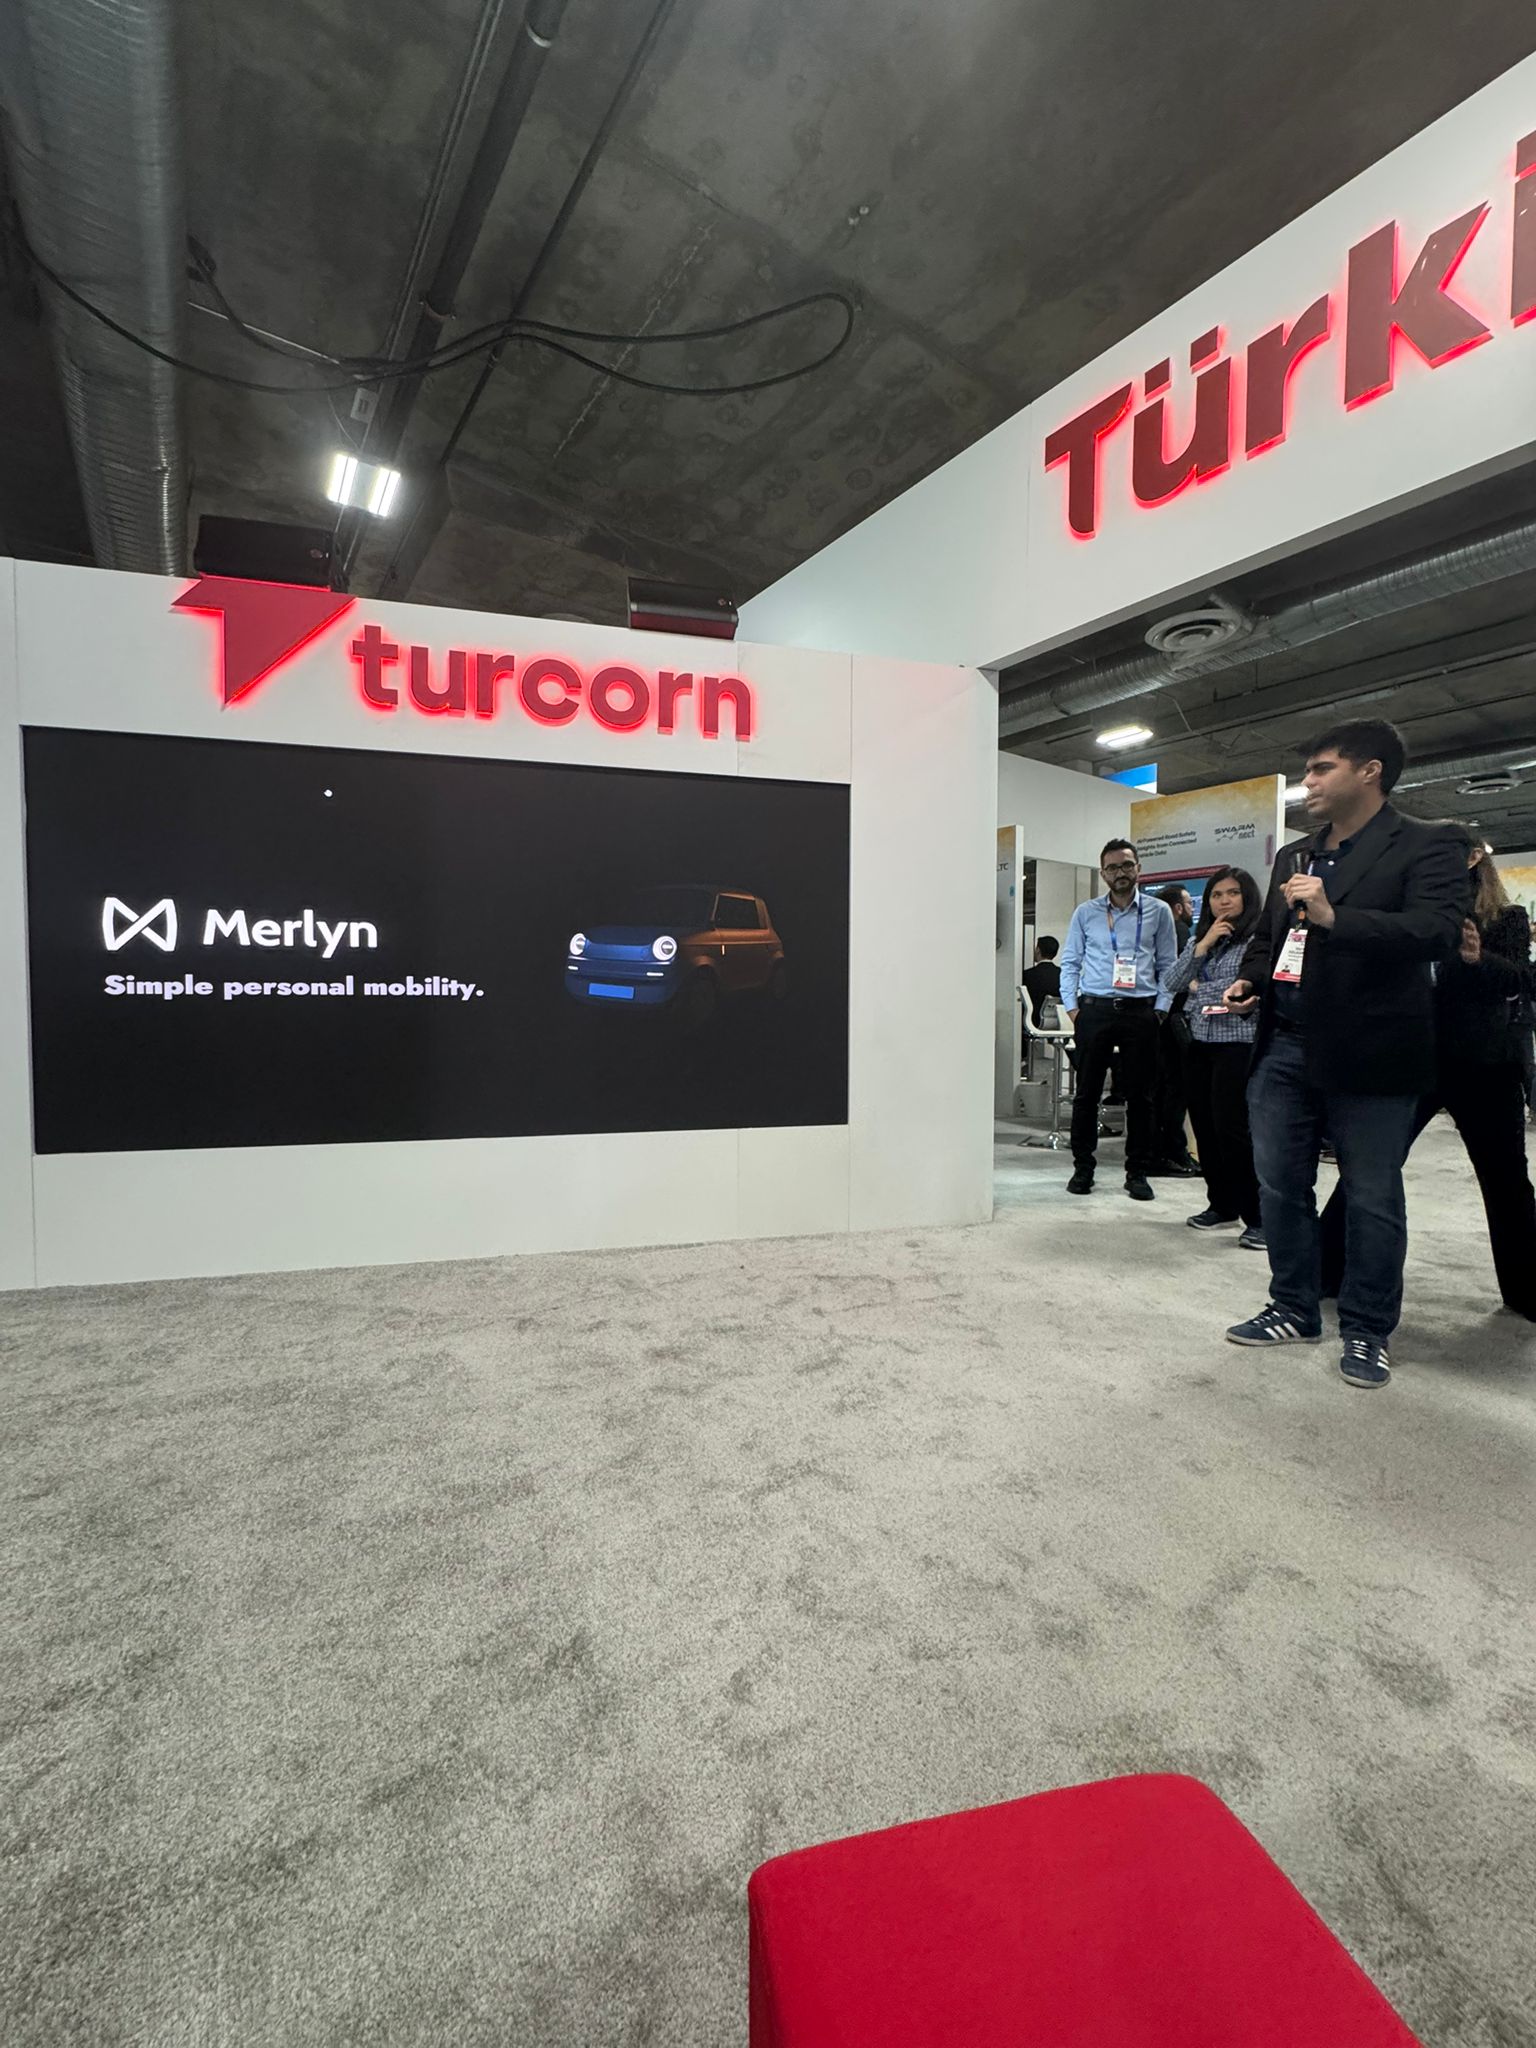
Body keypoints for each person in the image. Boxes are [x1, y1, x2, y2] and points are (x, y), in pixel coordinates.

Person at [1220, 718, 1465, 1390]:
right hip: (1284, 1044)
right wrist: (1252, 979)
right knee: (1280, 1186)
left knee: (1371, 1196)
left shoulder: (1429, 843)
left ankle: (1367, 1328)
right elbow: (1271, 939)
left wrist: (1335, 918)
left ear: (1370, 771)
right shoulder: (1293, 856)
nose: (1308, 783)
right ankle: (1294, 1307)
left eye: (1321, 768)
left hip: (1374, 1051)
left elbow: (1438, 933)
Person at [1318, 823, 1536, 1323]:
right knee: (1368, 1171)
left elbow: (1523, 980)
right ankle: (1324, 1270)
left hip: (1484, 1065)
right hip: (1411, 1061)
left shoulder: (1505, 916)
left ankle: (1527, 1289)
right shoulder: (1412, 913)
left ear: (1475, 859)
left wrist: (1479, 960)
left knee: (1506, 1180)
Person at [1059, 839, 1179, 1200]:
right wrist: (1073, 1008)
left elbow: (1168, 965)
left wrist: (1161, 1008)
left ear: (1138, 868)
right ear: (1103, 874)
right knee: (1086, 1095)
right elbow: (1071, 962)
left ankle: (1137, 1172)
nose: (1120, 873)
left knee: (1141, 1097)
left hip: (1141, 1012)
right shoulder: (1086, 912)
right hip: (1094, 1010)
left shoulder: (1158, 911)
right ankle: (1083, 1168)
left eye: (1126, 865)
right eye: (1112, 867)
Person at [1161, 866, 1265, 1249]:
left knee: (1232, 1129)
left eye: (1232, 893)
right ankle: (1221, 1204)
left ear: (1247, 897)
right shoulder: (1201, 939)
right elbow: (1172, 983)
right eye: (1216, 895)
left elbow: (1248, 989)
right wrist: (1202, 947)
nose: (1224, 901)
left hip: (1238, 1043)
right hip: (1199, 1042)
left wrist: (1201, 989)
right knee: (1204, 1128)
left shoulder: (1258, 940)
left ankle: (1259, 1216)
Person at [1152, 883, 1200, 1177]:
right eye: (1190, 904)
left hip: (1158, 1020)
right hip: (1175, 1020)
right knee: (1176, 1089)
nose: (1193, 909)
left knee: (1161, 1089)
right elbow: (1180, 977)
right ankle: (1173, 1153)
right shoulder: (1180, 932)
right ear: (1179, 908)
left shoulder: (1154, 933)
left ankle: (1162, 1152)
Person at [1020, 936, 1061, 1022]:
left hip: (1032, 1022)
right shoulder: (1063, 975)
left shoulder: (1027, 975)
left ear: (1038, 950)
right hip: (1059, 1022)